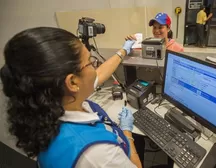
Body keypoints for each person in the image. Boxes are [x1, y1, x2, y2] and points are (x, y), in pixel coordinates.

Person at [0, 27, 143, 168]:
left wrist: (123, 50)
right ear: (73, 83)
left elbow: (98, 75)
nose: (94, 66)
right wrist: (127, 133)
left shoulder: (45, 112)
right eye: (90, 61)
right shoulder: (98, 154)